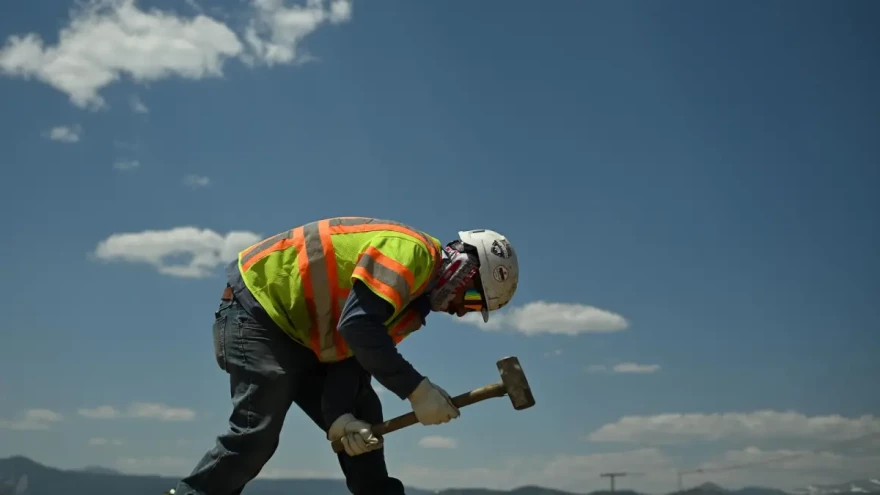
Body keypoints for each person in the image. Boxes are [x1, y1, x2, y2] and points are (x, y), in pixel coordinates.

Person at [172, 216, 519, 495]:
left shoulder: (414, 309)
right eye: (473, 300)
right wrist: (416, 389)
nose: (463, 312)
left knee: (364, 421)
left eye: (475, 310)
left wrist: (340, 416)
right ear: (464, 270)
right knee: (256, 431)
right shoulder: (409, 254)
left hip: (306, 337)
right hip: (258, 309)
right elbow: (358, 327)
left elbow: (354, 356)